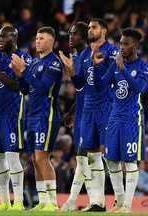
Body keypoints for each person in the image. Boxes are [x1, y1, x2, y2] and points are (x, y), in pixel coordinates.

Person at [59, 18, 119, 212]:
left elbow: (105, 82)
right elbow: (81, 86)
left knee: (109, 156)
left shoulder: (112, 52)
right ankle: (98, 202)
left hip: (106, 107)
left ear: (103, 31)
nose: (90, 30)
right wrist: (71, 71)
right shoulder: (85, 54)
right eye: (90, 27)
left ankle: (121, 199)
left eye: (93, 27)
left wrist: (97, 65)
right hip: (89, 110)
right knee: (92, 157)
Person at [91, 28, 148, 213]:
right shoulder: (115, 64)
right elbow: (100, 86)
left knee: (130, 162)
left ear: (135, 45)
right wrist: (97, 66)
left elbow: (139, 88)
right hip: (114, 118)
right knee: (111, 161)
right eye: (120, 43)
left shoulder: (143, 66)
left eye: (126, 43)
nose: (121, 47)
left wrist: (123, 69)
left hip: (132, 119)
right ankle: (120, 201)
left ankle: (127, 206)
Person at [0, 26, 32, 211]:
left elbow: (16, 86)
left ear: (14, 37)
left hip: (12, 113)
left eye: (4, 36)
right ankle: (4, 202)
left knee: (12, 156)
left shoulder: (22, 58)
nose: (0, 39)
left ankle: (18, 201)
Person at [11, 26, 63, 211]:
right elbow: (26, 89)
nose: (38, 41)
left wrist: (24, 71)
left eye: (42, 38)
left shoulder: (54, 63)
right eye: (37, 37)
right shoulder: (33, 63)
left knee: (42, 158)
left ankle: (52, 202)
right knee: (34, 159)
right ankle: (43, 202)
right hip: (32, 115)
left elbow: (42, 88)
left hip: (46, 115)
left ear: (51, 42)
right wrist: (20, 74)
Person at [58, 22, 92, 211]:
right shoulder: (77, 57)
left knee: (93, 157)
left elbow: (92, 89)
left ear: (84, 35)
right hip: (82, 112)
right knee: (84, 158)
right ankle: (95, 200)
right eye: (69, 33)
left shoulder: (90, 56)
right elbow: (82, 90)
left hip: (95, 113)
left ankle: (73, 201)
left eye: (74, 34)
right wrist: (72, 111)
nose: (70, 37)